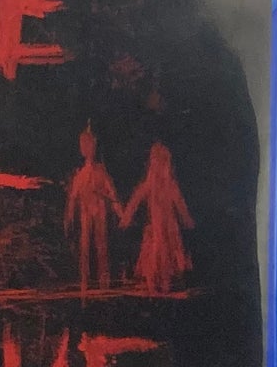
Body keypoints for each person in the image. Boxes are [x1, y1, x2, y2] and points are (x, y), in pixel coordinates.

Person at [123, 141, 194, 293]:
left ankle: (165, 284)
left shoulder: (171, 186)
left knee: (167, 254)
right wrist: (127, 216)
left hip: (169, 228)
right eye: (156, 163)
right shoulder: (150, 185)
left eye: (162, 163)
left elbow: (180, 204)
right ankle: (155, 285)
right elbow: (135, 199)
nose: (159, 167)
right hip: (156, 228)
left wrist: (187, 220)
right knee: (156, 252)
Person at [62, 123, 121, 290]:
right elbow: (73, 198)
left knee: (101, 246)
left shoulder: (101, 172)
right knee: (85, 247)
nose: (86, 148)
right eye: (83, 144)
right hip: (86, 214)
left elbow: (112, 196)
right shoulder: (80, 175)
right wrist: (68, 217)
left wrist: (120, 213)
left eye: (89, 144)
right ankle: (84, 282)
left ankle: (104, 282)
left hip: (100, 212)